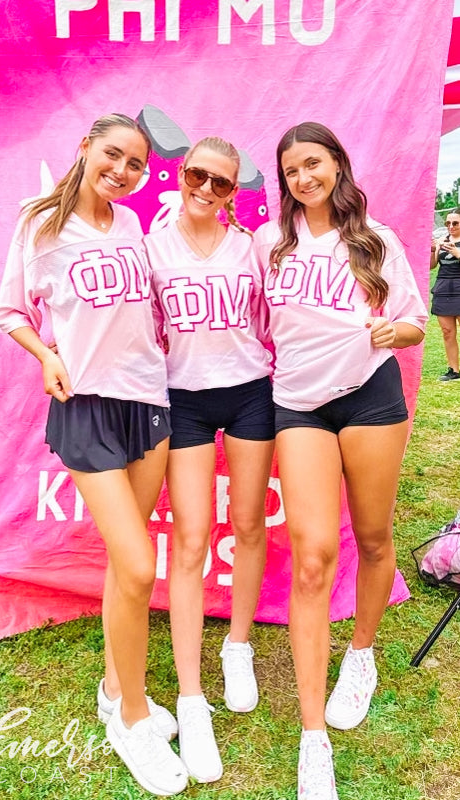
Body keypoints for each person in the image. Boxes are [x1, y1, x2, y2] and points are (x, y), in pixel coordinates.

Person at [0, 113, 189, 797]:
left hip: (149, 403)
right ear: (85, 148)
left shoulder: (133, 224)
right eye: (113, 155)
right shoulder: (39, 223)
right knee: (137, 563)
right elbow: (10, 312)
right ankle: (132, 720)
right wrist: (45, 355)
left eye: (136, 164)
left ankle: (115, 688)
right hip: (86, 406)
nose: (123, 171)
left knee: (125, 566)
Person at [254, 122, 428, 800]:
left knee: (375, 537)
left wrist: (393, 329)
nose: (304, 178)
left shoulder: (373, 239)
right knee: (313, 558)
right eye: (291, 170)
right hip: (298, 405)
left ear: (337, 165)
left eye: (313, 164)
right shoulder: (269, 245)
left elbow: (413, 321)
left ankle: (360, 654)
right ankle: (312, 739)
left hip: (369, 396)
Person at [145, 137, 274, 783]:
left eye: (221, 182)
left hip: (251, 392)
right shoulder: (152, 245)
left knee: (248, 524)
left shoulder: (250, 246)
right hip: (184, 398)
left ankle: (238, 645)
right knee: (191, 539)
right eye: (198, 175)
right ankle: (191, 700)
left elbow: (279, 317)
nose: (205, 188)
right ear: (180, 172)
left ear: (234, 191)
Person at [430, 208, 460, 381]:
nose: (451, 226)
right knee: (447, 331)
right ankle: (454, 370)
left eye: (455, 223)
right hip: (443, 287)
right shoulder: (443, 240)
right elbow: (432, 265)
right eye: (448, 223)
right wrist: (432, 249)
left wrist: (456, 252)